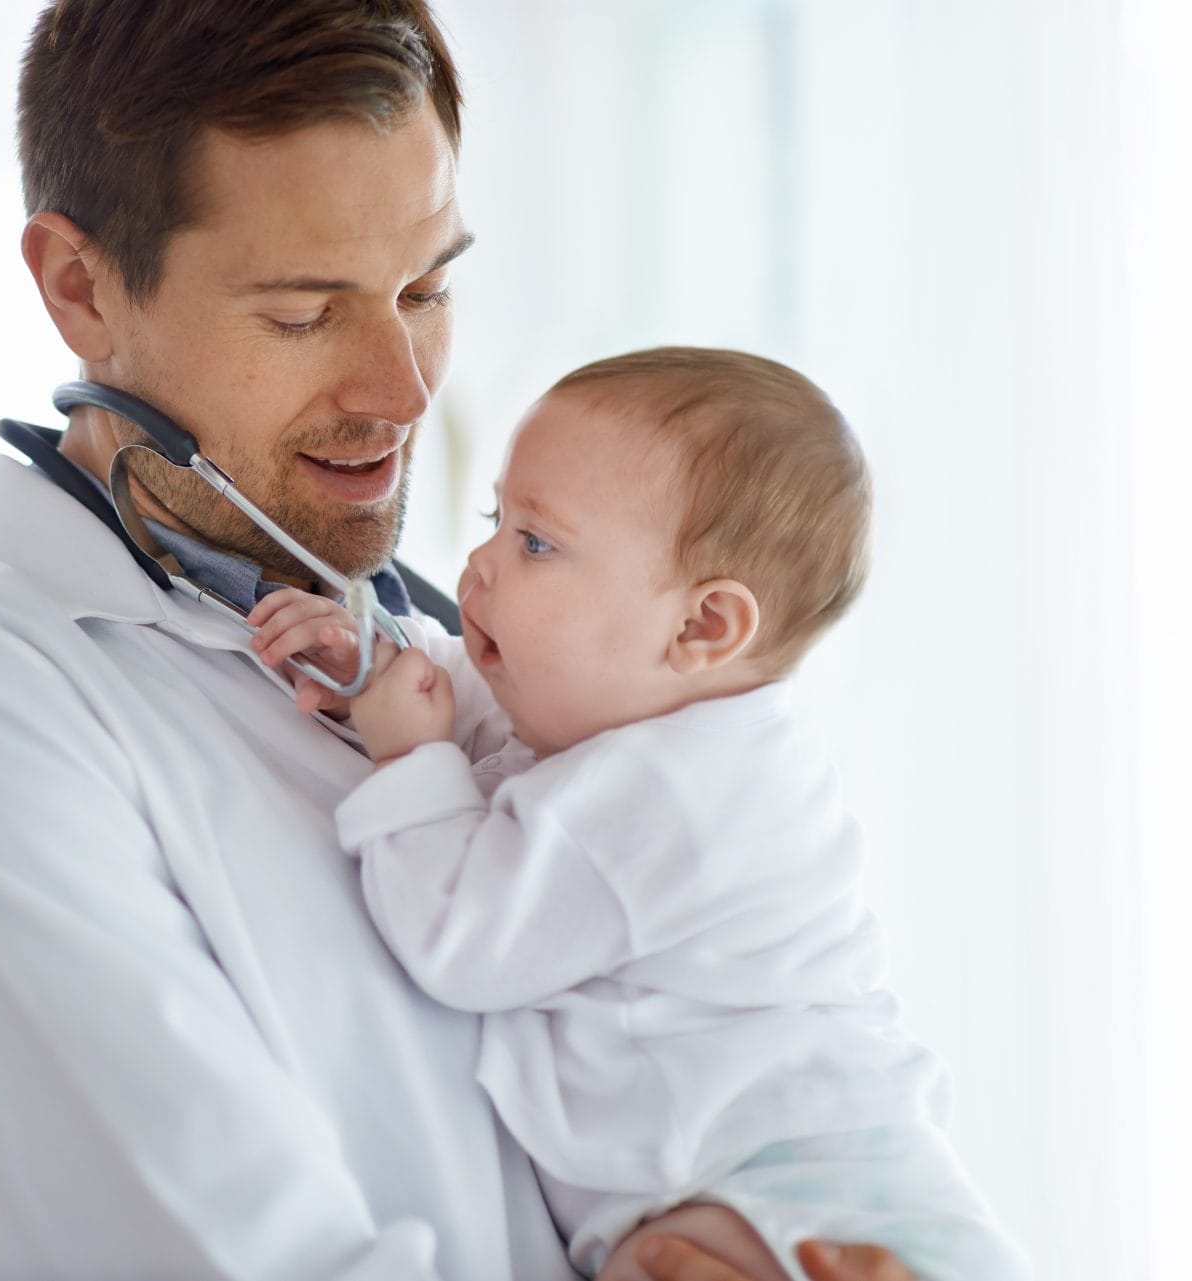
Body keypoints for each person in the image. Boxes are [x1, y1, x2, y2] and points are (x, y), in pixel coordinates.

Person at [0, 3, 923, 1276]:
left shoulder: (467, 656)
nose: (405, 390)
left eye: (425, 287)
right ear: (80, 289)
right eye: (306, 312)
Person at [250, 349, 1027, 1279]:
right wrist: (372, 661)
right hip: (754, 1185)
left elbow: (466, 936)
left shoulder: (675, 797)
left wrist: (409, 754)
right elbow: (460, 682)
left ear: (702, 628)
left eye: (536, 543)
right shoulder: (615, 708)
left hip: (804, 1193)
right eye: (499, 519)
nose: (479, 563)